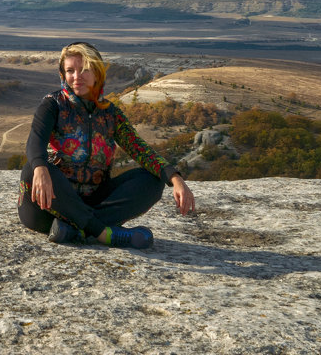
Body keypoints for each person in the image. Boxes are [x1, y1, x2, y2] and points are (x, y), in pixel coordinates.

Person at [17, 41, 195, 248]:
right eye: (70, 71)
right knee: (33, 168)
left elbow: (139, 149)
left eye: (84, 70)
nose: (76, 77)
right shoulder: (53, 105)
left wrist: (174, 178)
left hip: (94, 200)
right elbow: (35, 141)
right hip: (50, 206)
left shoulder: (111, 114)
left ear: (98, 73)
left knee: (153, 180)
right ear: (62, 74)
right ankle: (102, 233)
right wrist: (40, 167)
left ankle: (76, 231)